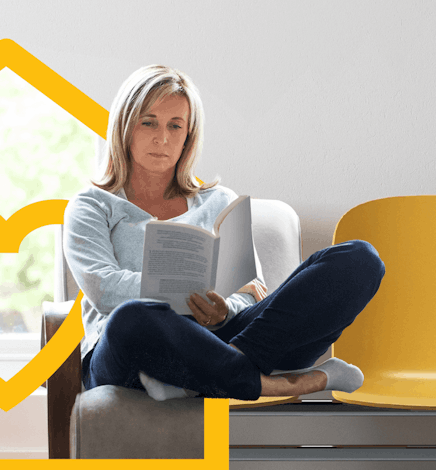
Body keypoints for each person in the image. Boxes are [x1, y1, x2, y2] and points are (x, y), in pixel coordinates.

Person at [63, 65, 385, 402]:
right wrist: (180, 290)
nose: (163, 138)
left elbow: (250, 292)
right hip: (132, 352)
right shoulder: (92, 205)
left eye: (175, 126)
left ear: (188, 135)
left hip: (221, 338)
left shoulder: (219, 201)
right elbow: (103, 289)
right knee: (132, 316)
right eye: (149, 123)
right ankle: (285, 382)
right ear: (125, 126)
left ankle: (206, 376)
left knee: (359, 260)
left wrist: (223, 311)